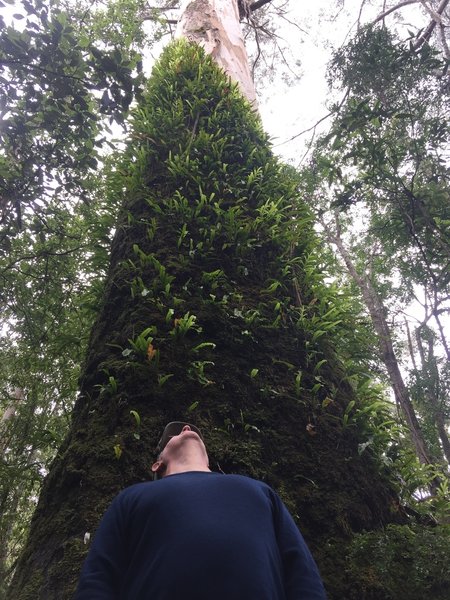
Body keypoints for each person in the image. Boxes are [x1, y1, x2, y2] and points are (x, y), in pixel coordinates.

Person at [76, 421, 327, 599]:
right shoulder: (131, 497)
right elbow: (99, 578)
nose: (186, 428)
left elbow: (301, 573)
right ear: (157, 463)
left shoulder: (260, 491)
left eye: (191, 429)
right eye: (174, 433)